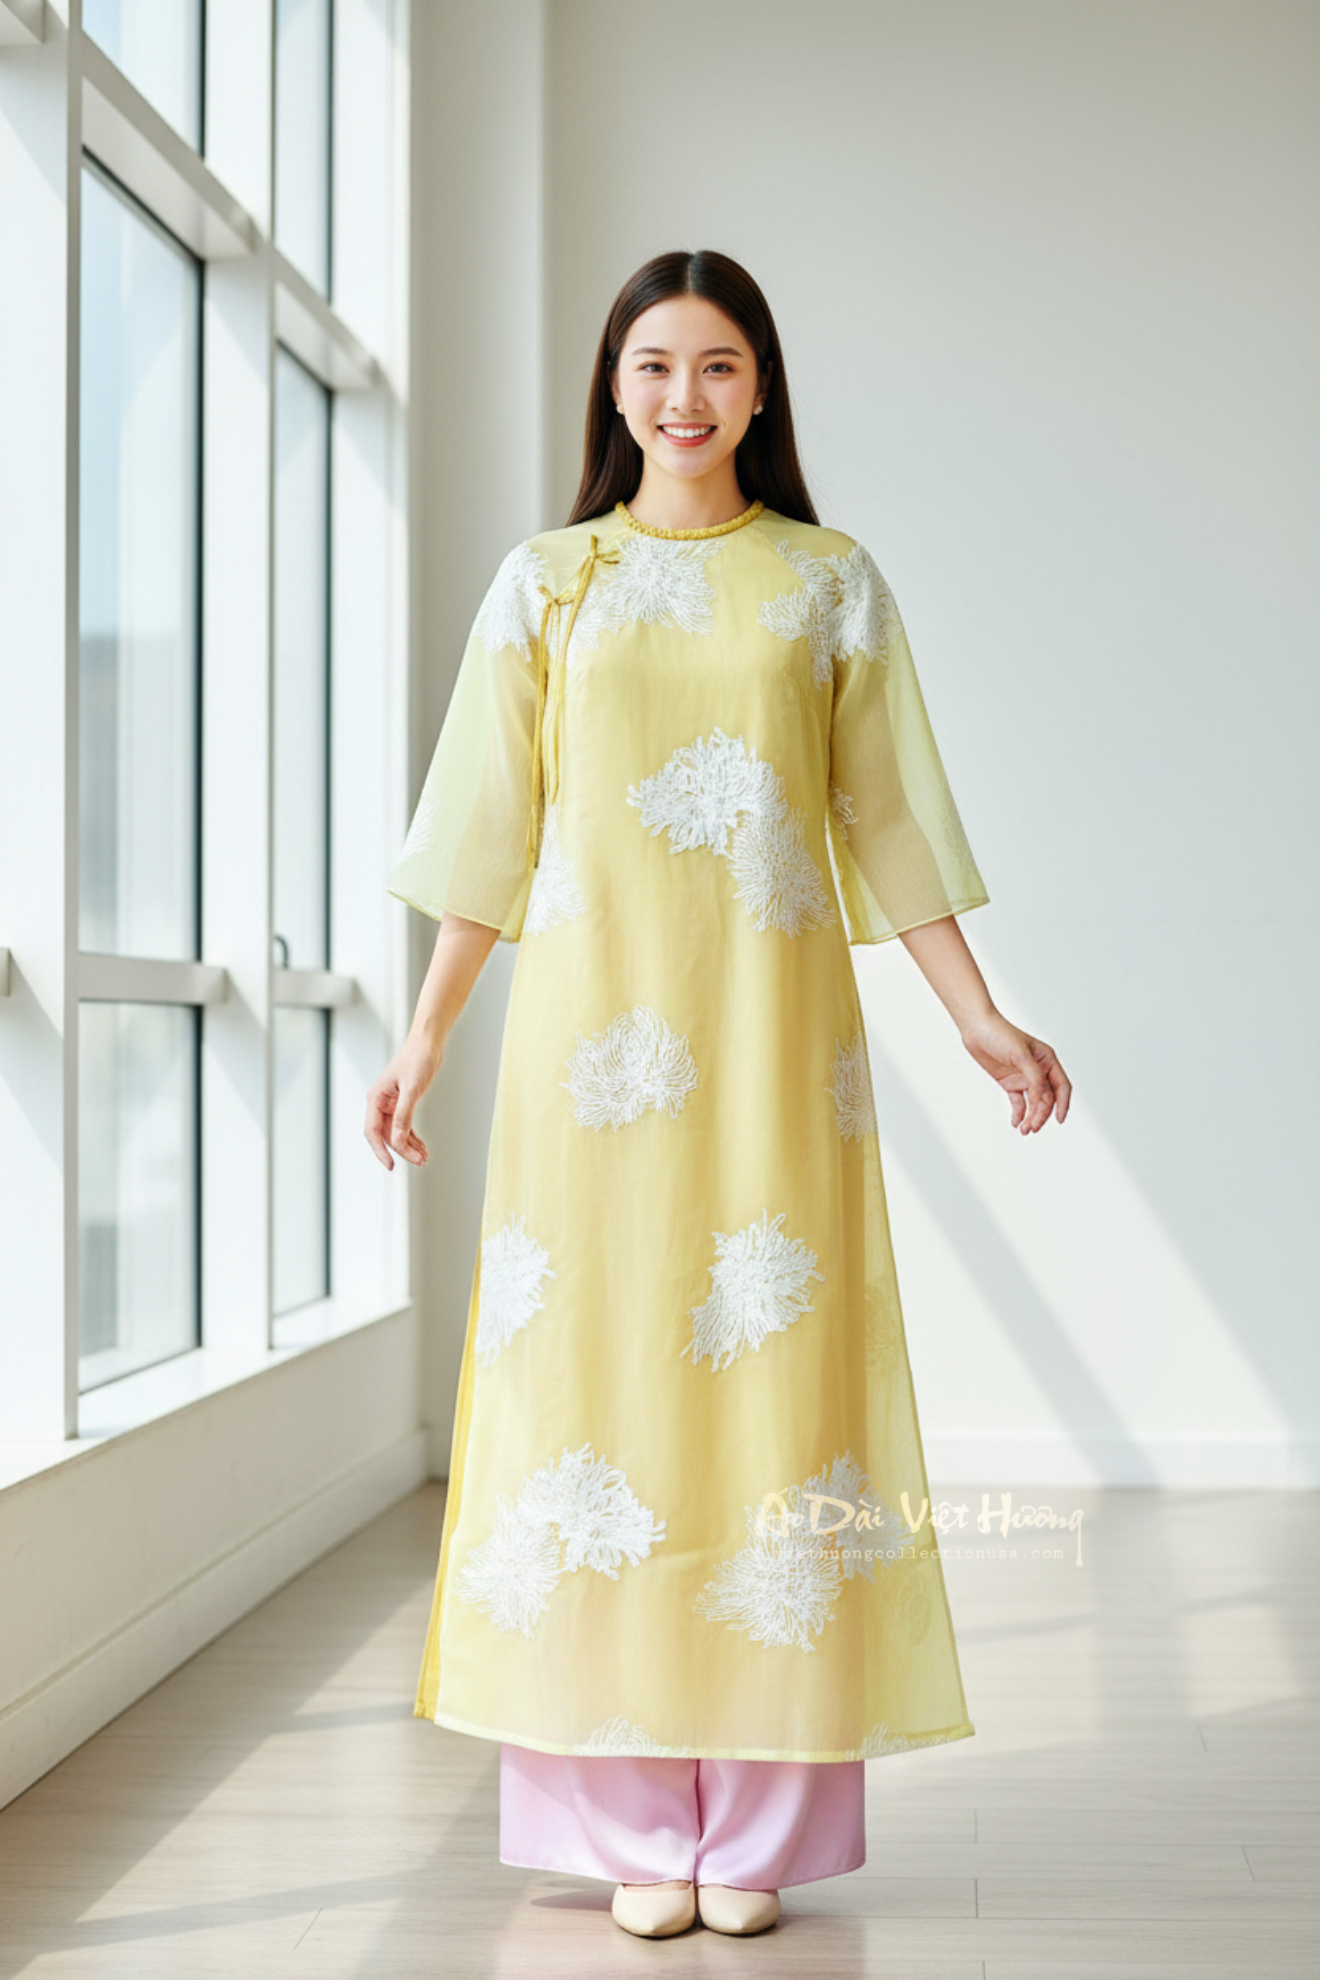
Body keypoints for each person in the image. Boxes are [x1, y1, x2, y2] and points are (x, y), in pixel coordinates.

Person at [365, 248, 1071, 1942]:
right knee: (592, 1407)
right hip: (584, 1060)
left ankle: (758, 1819)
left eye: (718, 366)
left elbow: (888, 818)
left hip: (775, 1054)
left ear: (762, 391)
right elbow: (490, 829)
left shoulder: (829, 584)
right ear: (614, 389)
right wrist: (426, 1035)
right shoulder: (548, 586)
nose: (684, 397)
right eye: (654, 366)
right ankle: (629, 1823)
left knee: (772, 1409)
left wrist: (977, 1014)